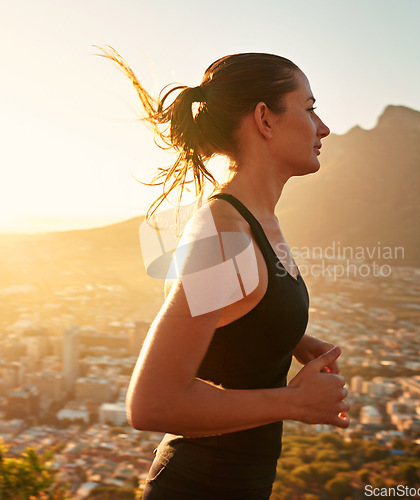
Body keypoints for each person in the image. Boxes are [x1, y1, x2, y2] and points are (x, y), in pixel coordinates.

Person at [99, 47, 350, 500]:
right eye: (310, 109)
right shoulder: (226, 237)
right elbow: (152, 402)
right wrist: (294, 402)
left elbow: (234, 312)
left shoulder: (254, 222)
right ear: (265, 119)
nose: (323, 127)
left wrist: (286, 336)